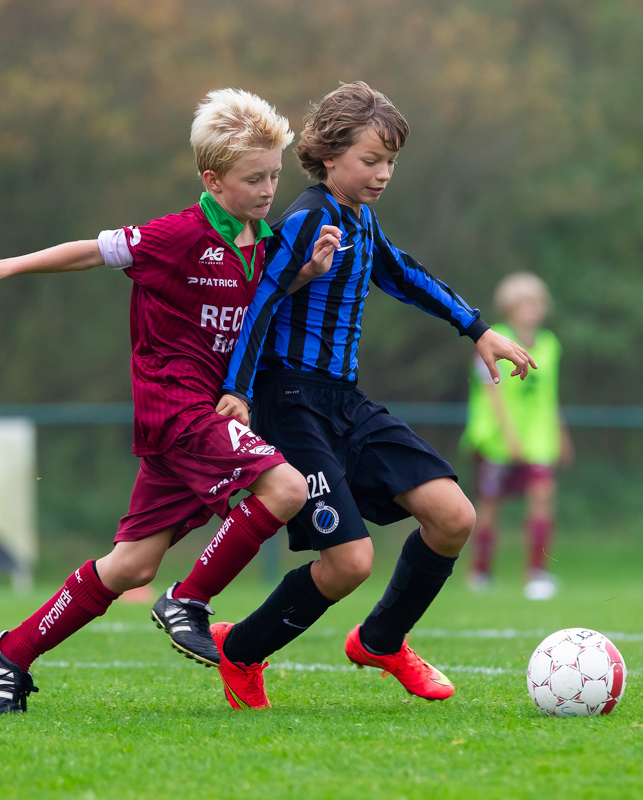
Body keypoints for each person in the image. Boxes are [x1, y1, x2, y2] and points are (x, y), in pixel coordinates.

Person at [0, 89, 341, 715]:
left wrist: (305, 277)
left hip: (200, 416)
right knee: (284, 489)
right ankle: (189, 601)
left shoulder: (264, 242)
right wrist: (5, 267)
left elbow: (258, 302)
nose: (269, 189)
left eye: (273, 175)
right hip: (177, 409)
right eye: (253, 178)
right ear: (212, 179)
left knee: (129, 565)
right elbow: (90, 252)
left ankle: (10, 652)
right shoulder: (175, 235)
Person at [201, 82, 536, 709]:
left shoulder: (361, 219)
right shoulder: (305, 218)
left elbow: (402, 274)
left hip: (343, 402)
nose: (383, 174)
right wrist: (238, 392)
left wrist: (480, 329)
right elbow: (263, 301)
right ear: (329, 157)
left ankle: (381, 641)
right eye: (370, 160)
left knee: (454, 517)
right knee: (349, 562)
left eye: (391, 163)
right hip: (291, 402)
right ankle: (241, 653)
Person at [460, 272, 573, 600]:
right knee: (490, 505)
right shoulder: (493, 339)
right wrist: (510, 437)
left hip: (539, 440)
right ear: (509, 307)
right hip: (497, 440)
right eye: (525, 303)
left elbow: (549, 396)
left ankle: (536, 573)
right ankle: (480, 572)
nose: (533, 309)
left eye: (537, 302)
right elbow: (491, 392)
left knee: (542, 499)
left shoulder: (551, 344)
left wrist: (561, 434)